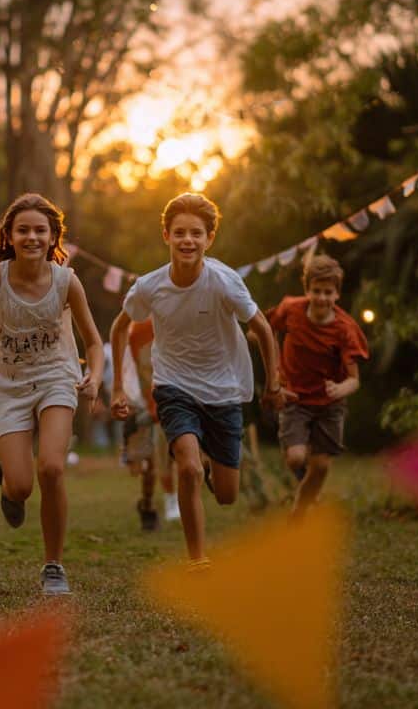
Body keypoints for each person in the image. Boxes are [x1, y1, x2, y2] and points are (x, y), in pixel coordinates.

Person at [109, 193, 280, 568]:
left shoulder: (225, 282)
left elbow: (263, 329)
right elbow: (119, 328)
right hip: (174, 385)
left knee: (226, 494)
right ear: (167, 236)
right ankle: (197, 559)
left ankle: (201, 451)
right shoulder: (150, 287)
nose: (188, 240)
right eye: (180, 232)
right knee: (188, 468)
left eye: (196, 233)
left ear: (209, 239)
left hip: (224, 388)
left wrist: (273, 384)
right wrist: (119, 387)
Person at [0, 193, 105, 596]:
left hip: (56, 377)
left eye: (41, 230)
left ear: (54, 236)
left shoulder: (66, 281)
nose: (32, 237)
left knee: (52, 468)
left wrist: (97, 377)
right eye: (23, 230)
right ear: (9, 235)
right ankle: (8, 482)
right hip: (7, 385)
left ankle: (53, 566)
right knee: (21, 486)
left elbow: (93, 341)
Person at [263, 253, 368, 517]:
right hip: (295, 398)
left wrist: (339, 389)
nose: (322, 298)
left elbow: (354, 380)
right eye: (316, 291)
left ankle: (301, 508)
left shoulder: (344, 329)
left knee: (320, 466)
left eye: (328, 292)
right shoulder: (291, 309)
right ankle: (304, 492)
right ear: (307, 290)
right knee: (296, 458)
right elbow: (263, 331)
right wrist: (274, 365)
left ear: (337, 295)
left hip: (329, 405)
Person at [120, 318, 178, 530]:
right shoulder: (132, 331)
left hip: (167, 402)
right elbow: (128, 370)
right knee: (146, 467)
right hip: (141, 404)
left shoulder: (169, 322)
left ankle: (169, 501)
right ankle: (147, 503)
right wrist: (135, 402)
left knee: (171, 455)